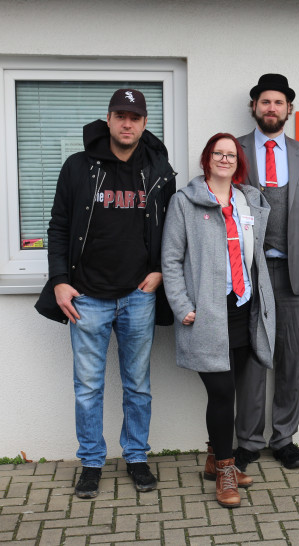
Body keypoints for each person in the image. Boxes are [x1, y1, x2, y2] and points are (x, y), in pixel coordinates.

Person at [34, 89, 176, 498]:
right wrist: (60, 279)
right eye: (120, 115)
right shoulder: (78, 167)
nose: (127, 123)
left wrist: (160, 272)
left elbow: (173, 231)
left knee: (138, 384)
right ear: (109, 119)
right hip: (87, 297)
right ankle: (92, 462)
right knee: (88, 386)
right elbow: (59, 225)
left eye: (135, 117)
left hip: (138, 296)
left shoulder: (159, 171)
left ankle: (136, 457)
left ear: (145, 123)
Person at [162, 133, 275, 508]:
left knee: (235, 388)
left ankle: (214, 457)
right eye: (218, 153)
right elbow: (172, 259)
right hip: (207, 314)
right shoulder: (185, 202)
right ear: (207, 159)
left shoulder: (248, 201)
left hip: (243, 307)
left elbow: (253, 256)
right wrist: (181, 305)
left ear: (237, 162)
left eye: (231, 154)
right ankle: (226, 471)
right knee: (222, 393)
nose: (224, 159)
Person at [235, 74, 299, 470]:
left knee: (292, 356)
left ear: (290, 109)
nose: (271, 108)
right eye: (265, 101)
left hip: (296, 272)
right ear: (254, 106)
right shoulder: (233, 149)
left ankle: (285, 437)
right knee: (254, 358)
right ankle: (248, 441)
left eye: (279, 102)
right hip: (250, 271)